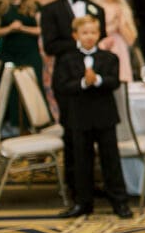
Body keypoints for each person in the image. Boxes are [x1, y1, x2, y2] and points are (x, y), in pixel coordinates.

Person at [41, 0, 108, 202]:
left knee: (95, 133)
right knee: (73, 136)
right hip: (67, 79)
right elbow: (50, 45)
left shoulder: (96, 9)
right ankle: (76, 188)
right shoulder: (51, 10)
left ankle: (92, 184)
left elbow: (101, 43)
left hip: (95, 78)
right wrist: (81, 42)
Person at [52, 15, 132, 219]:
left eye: (93, 32)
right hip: (79, 117)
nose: (89, 37)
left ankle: (119, 202)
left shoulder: (109, 57)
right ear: (75, 35)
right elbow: (60, 85)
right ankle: (83, 202)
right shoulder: (66, 59)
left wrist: (97, 80)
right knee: (81, 161)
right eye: (84, 33)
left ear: (99, 34)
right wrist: (82, 83)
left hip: (105, 116)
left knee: (111, 160)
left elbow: (114, 82)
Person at [0, 0, 44, 129]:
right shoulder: (0, 4)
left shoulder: (34, 5)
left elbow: (41, 30)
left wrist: (23, 28)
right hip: (8, 52)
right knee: (10, 88)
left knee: (33, 86)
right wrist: (10, 29)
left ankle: (34, 124)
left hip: (30, 52)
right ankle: (11, 125)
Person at [90, 0, 137, 83]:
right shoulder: (91, 7)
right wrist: (111, 25)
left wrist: (120, 22)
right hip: (100, 54)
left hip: (121, 53)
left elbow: (131, 40)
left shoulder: (122, 7)